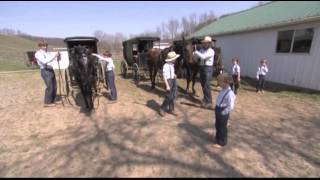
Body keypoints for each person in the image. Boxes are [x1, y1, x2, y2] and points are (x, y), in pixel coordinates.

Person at [212, 73, 236, 149]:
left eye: (220, 81)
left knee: (222, 127)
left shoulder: (230, 93)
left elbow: (231, 106)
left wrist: (224, 112)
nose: (219, 83)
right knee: (217, 125)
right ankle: (218, 138)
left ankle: (222, 142)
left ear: (226, 82)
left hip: (223, 111)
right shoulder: (222, 90)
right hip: (218, 109)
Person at [35, 40, 60, 107]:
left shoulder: (48, 53)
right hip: (45, 70)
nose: (45, 47)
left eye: (46, 45)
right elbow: (45, 61)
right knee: (50, 86)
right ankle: (47, 103)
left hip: (51, 70)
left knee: (54, 86)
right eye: (43, 46)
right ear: (40, 46)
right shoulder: (38, 54)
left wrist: (57, 56)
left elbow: (53, 60)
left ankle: (53, 101)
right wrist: (54, 56)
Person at [194, 36, 215, 109]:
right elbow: (197, 57)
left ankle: (209, 102)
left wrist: (196, 52)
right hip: (202, 68)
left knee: (207, 85)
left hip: (208, 68)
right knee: (203, 84)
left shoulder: (211, 51)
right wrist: (195, 55)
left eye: (206, 43)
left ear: (209, 44)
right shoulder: (202, 50)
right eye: (203, 43)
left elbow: (203, 57)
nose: (204, 44)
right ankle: (206, 99)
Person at [159, 51, 180, 117]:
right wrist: (167, 85)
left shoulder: (172, 65)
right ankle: (162, 108)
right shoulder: (166, 66)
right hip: (168, 81)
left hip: (173, 80)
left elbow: (171, 73)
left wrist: (174, 75)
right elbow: (164, 76)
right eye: (175, 59)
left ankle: (171, 109)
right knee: (168, 96)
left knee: (173, 96)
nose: (176, 60)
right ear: (172, 59)